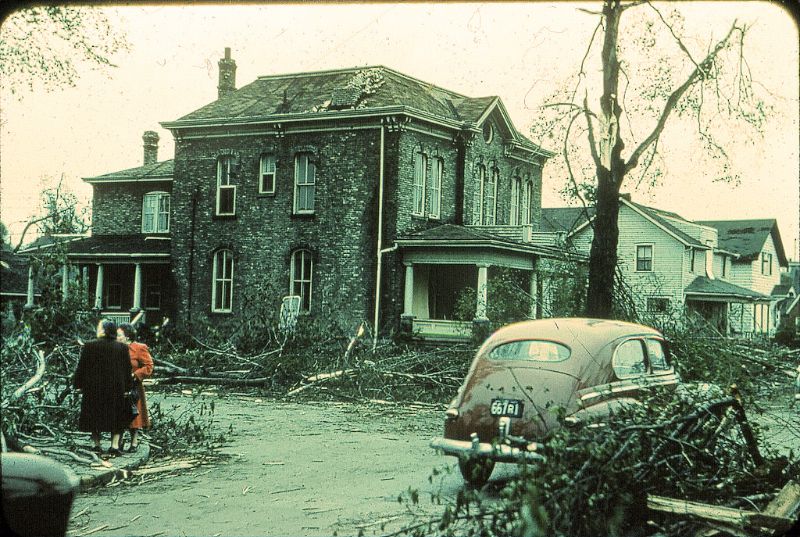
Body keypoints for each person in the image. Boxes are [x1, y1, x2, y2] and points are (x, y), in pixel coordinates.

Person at [74, 319, 133, 457]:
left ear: (103, 330)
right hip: (115, 388)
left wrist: (77, 384)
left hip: (94, 388)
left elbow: (82, 368)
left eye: (98, 327)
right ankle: (114, 445)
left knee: (94, 415)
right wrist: (127, 387)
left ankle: (97, 445)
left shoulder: (90, 346)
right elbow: (127, 369)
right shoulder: (122, 348)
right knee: (116, 416)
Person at [116, 323, 154, 451]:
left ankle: (134, 442)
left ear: (127, 337)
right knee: (119, 414)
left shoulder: (139, 348)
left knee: (134, 413)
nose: (117, 337)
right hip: (119, 386)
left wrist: (136, 374)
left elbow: (149, 366)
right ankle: (118, 442)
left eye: (119, 335)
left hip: (133, 386)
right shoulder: (116, 348)